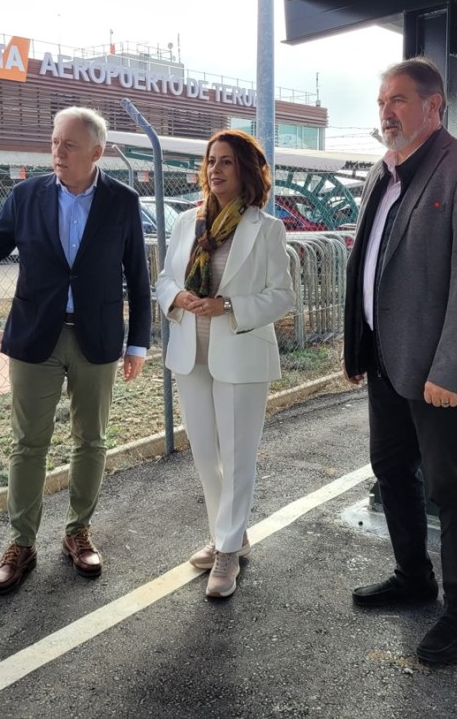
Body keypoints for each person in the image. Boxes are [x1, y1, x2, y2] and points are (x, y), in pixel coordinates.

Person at [0, 106, 151, 594]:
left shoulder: (122, 201)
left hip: (97, 337)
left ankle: (78, 532)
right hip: (36, 336)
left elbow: (137, 277)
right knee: (27, 443)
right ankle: (21, 543)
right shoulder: (26, 196)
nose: (57, 151)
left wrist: (138, 341)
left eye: (69, 145)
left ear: (97, 153)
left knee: (91, 440)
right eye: (55, 141)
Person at [342, 58, 457, 664]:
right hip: (385, 359)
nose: (387, 111)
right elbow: (369, 263)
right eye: (383, 100)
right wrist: (356, 346)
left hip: (435, 367)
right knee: (390, 469)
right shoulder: (380, 175)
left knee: (453, 487)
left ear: (435, 107)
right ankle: (414, 576)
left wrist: (451, 368)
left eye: (401, 100)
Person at [155, 130, 294, 599]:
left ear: (246, 171)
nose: (215, 170)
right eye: (211, 161)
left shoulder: (266, 228)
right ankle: (225, 534)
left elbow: (282, 295)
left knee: (236, 457)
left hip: (240, 352)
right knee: (204, 453)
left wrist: (229, 305)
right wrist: (178, 296)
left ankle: (228, 550)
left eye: (227, 162)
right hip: (190, 350)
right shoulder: (185, 223)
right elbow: (165, 278)